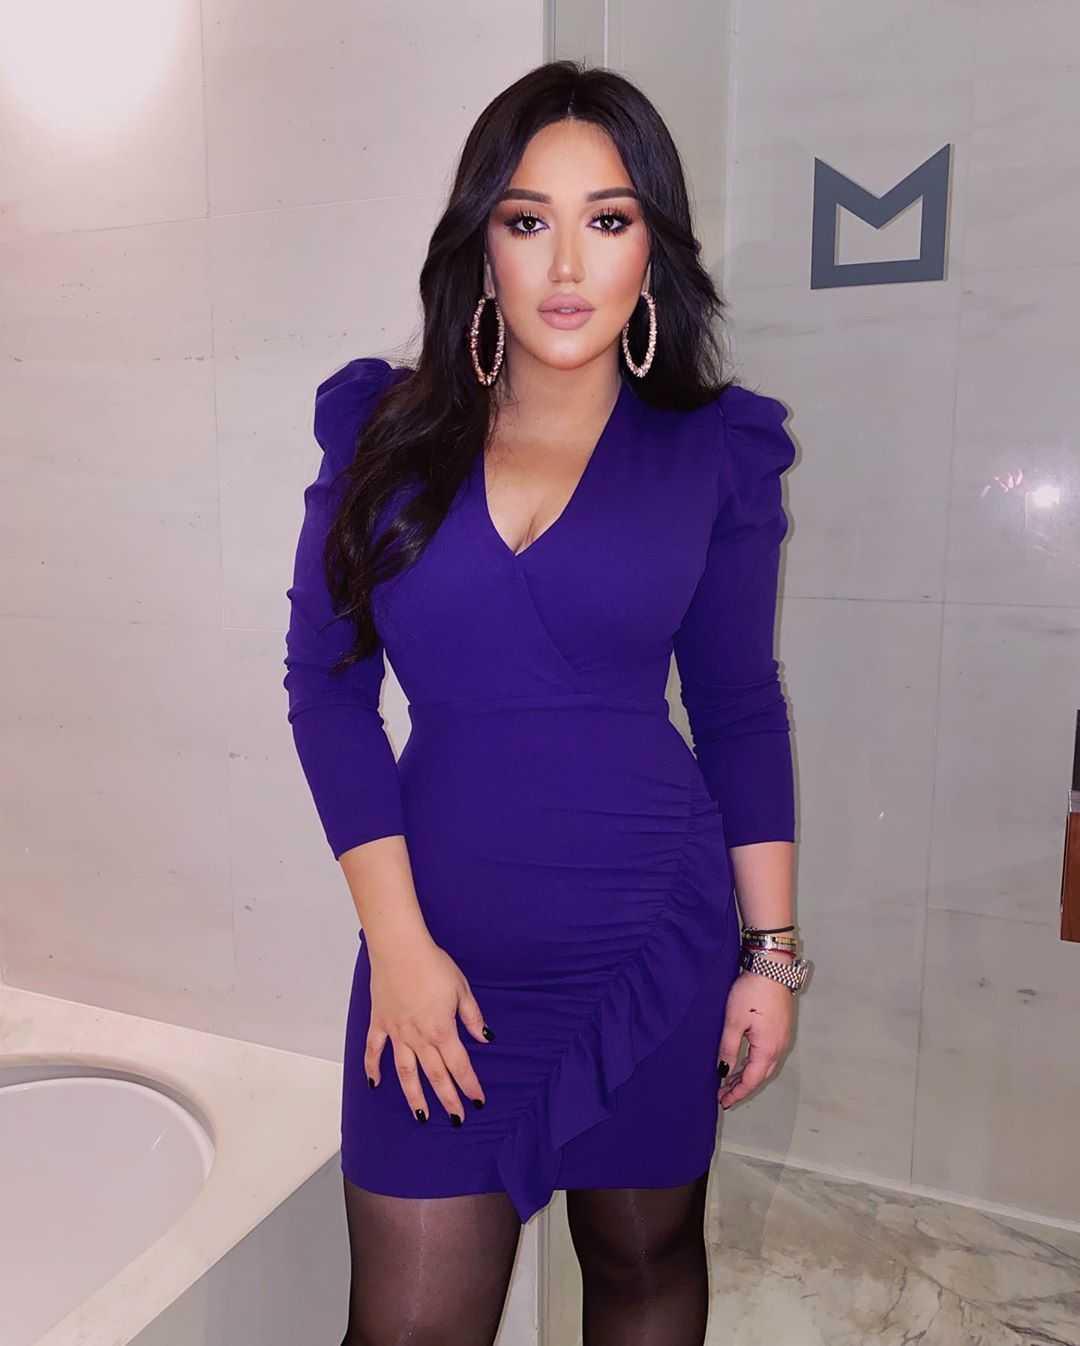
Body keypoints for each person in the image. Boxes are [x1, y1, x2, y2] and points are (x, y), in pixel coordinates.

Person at [283, 58, 809, 1346]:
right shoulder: (382, 433)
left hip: (652, 936)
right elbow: (327, 693)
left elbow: (740, 707)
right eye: (529, 220)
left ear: (652, 248)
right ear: (484, 244)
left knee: (644, 1268)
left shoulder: (712, 451)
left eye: (608, 219)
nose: (567, 264)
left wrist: (769, 957)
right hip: (439, 952)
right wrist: (399, 949)